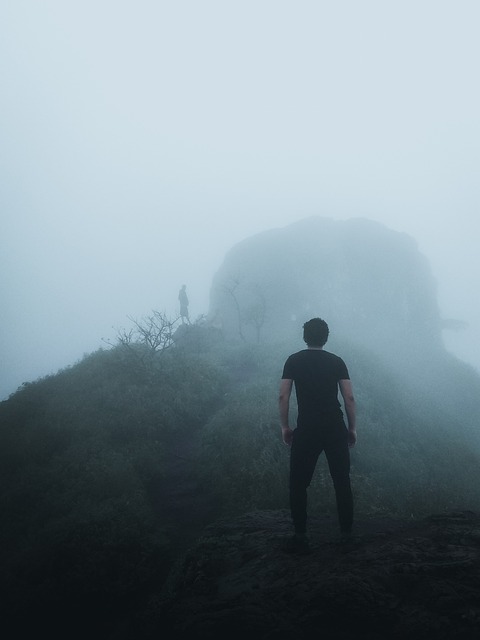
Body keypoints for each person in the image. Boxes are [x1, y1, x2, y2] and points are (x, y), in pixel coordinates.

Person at [279, 317, 356, 554]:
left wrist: (285, 427)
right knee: (342, 482)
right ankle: (346, 536)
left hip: (307, 429)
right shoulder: (337, 362)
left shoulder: (293, 360)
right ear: (326, 337)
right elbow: (349, 398)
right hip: (334, 427)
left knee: (298, 485)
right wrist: (352, 428)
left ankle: (300, 537)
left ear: (305, 336)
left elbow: (283, 396)